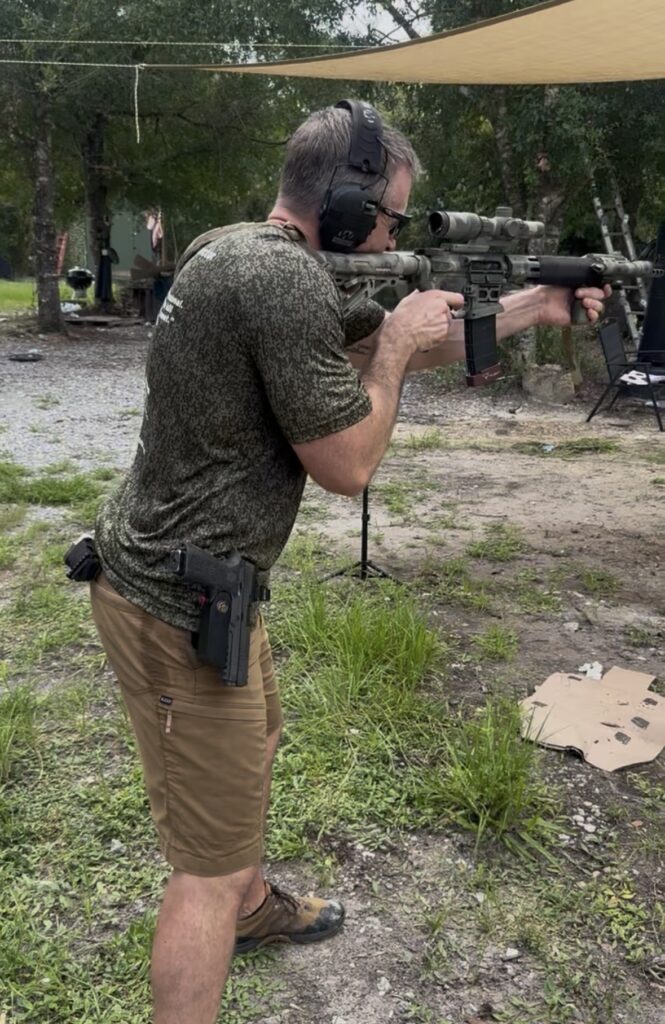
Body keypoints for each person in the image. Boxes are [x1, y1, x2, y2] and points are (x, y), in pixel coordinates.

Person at [89, 101, 606, 1024]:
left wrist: (535, 304)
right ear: (344, 205)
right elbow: (347, 464)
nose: (394, 235)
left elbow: (363, 345)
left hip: (204, 582)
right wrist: (398, 346)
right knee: (203, 869)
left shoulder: (239, 249)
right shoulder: (280, 282)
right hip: (178, 599)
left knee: (259, 737)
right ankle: (230, 900)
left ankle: (252, 907)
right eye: (391, 217)